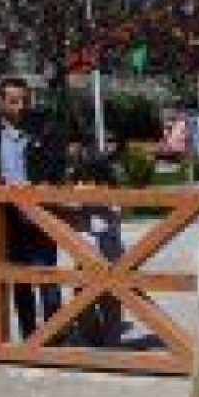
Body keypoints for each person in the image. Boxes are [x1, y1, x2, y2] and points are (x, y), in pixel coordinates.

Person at [0, 77, 66, 340]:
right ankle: (30, 338)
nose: (21, 106)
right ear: (0, 102)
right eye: (14, 101)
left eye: (25, 99)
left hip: (42, 215)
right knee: (19, 280)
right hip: (8, 218)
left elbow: (57, 166)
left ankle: (54, 337)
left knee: (47, 276)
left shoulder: (45, 129)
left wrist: (39, 185)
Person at [66, 140, 124, 346]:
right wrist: (80, 193)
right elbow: (70, 204)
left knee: (111, 297)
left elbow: (118, 210)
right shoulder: (77, 187)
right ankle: (91, 337)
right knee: (83, 297)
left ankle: (111, 340)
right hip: (85, 250)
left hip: (108, 249)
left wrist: (93, 195)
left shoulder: (112, 190)